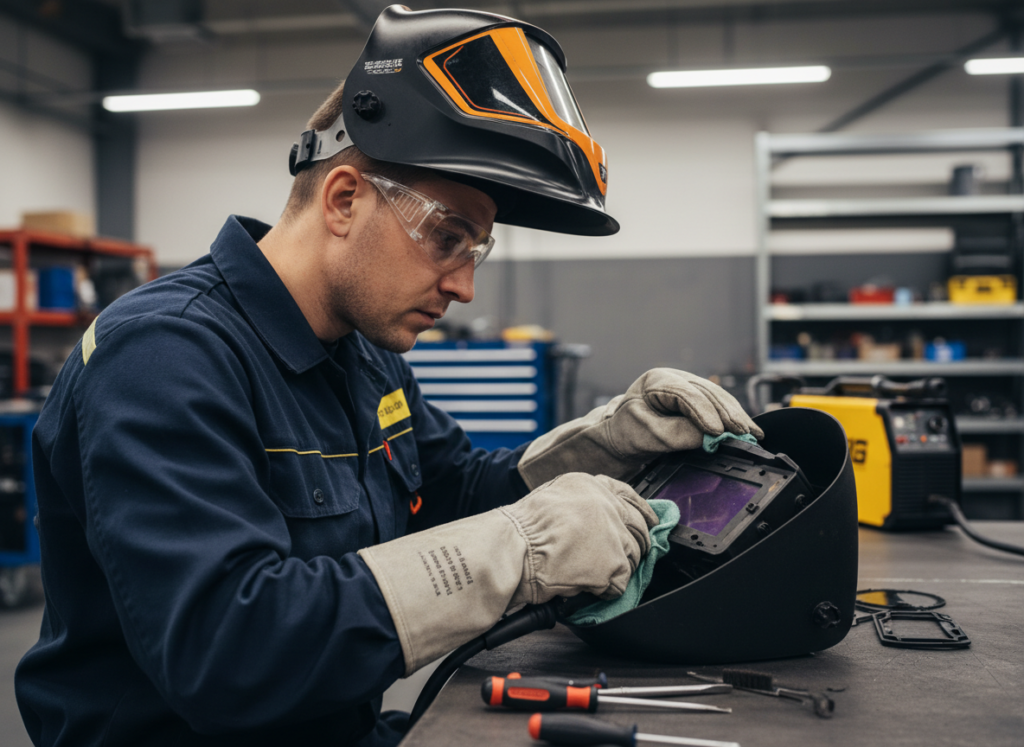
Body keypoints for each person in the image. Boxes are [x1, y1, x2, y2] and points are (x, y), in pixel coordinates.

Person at [15, 6, 761, 747]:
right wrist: (518, 550)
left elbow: (454, 491)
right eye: (447, 236)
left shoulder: (359, 350)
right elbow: (229, 650)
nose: (465, 285)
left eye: (478, 247)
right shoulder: (161, 356)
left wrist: (606, 443)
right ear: (344, 199)